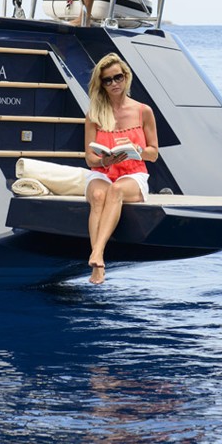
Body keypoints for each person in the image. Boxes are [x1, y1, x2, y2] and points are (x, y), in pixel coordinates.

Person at [83, 53, 159, 283]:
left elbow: (153, 153)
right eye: (107, 80)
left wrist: (138, 149)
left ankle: (97, 254)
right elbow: (90, 158)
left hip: (133, 173)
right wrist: (103, 161)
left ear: (126, 77)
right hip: (103, 172)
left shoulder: (143, 111)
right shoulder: (94, 114)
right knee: (98, 195)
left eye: (118, 77)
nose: (114, 83)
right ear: (101, 84)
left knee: (115, 191)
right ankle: (97, 263)